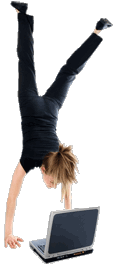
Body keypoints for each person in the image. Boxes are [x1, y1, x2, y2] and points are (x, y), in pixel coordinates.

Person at [4, 1, 113, 249]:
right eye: (53, 182)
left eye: (53, 183)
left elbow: (67, 191)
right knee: (26, 62)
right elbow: (13, 196)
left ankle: (97, 32)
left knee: (69, 72)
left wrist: (70, 218)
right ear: (43, 170)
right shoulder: (29, 159)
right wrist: (8, 232)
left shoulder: (61, 159)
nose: (53, 185)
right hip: (31, 107)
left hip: (51, 108)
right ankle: (22, 15)